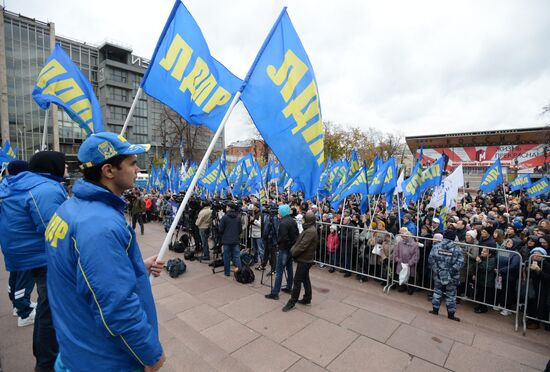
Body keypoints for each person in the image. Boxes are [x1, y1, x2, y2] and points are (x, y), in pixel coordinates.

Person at [45, 132, 166, 371]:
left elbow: (82, 273)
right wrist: (150, 354)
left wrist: (135, 268)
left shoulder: (69, 209)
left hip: (77, 346)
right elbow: (117, 307)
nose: (137, 169)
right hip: (105, 358)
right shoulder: (99, 225)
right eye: (132, 163)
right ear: (109, 171)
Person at [0, 151, 68, 371]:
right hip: (42, 257)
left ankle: (45, 359)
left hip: (26, 255)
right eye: (64, 164)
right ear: (53, 168)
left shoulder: (21, 183)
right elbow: (55, 229)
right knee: (51, 312)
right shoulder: (46, 189)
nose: (67, 168)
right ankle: (47, 363)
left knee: (47, 309)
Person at [1, 160, 37, 327]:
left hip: (10, 240)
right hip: (22, 242)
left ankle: (18, 305)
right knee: (24, 276)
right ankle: (25, 313)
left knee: (16, 276)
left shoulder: (6, 187)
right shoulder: (19, 189)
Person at [282, 212, 318, 312]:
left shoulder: (310, 231)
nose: (302, 221)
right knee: (305, 279)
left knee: (297, 281)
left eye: (304, 219)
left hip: (305, 259)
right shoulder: (309, 229)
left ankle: (292, 302)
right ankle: (307, 298)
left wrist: (292, 252)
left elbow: (302, 245)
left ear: (308, 221)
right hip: (305, 258)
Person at [428, 228, 465, 321]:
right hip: (452, 276)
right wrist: (449, 273)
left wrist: (439, 271)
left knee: (437, 292)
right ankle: (451, 315)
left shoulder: (436, 246)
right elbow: (460, 263)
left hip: (438, 274)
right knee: (451, 295)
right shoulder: (458, 249)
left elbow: (431, 260)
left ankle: (435, 310)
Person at [265, 204, 299, 300]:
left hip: (284, 249)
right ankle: (289, 287)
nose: (278, 212)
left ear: (283, 212)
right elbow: (296, 235)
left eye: (279, 211)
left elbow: (283, 238)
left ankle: (275, 293)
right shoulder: (292, 221)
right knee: (289, 268)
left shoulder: (283, 223)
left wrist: (280, 244)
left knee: (279, 271)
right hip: (291, 248)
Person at [219, 203, 242, 276]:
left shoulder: (224, 217)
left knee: (226, 257)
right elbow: (240, 229)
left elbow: (220, 229)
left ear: (228, 208)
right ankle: (239, 272)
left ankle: (227, 272)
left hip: (226, 240)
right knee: (237, 256)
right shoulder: (238, 217)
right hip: (235, 239)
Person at [394, 227, 419, 295]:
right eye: (403, 236)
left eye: (406, 237)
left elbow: (416, 255)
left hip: (410, 264)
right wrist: (397, 259)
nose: (404, 238)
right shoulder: (400, 243)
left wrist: (410, 263)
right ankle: (402, 286)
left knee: (410, 276)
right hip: (401, 262)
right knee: (401, 275)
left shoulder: (414, 245)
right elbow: (396, 251)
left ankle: (410, 288)